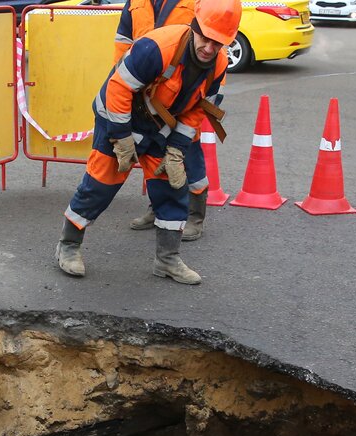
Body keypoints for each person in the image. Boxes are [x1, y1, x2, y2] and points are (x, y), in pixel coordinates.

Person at [54, 0, 240, 285]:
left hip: (160, 126)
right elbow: (117, 88)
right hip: (119, 115)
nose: (209, 49)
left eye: (218, 43)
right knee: (100, 184)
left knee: (171, 189)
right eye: (205, 39)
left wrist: (177, 149)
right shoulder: (156, 48)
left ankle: (167, 260)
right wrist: (121, 137)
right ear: (194, 27)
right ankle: (68, 247)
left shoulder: (218, 64)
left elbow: (198, 110)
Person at [114, 0, 213, 242]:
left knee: (189, 154)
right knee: (156, 158)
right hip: (147, 95)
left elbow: (213, 43)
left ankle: (195, 216)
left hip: (184, 93)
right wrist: (123, 77)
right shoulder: (136, 2)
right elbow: (123, 42)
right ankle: (158, 207)